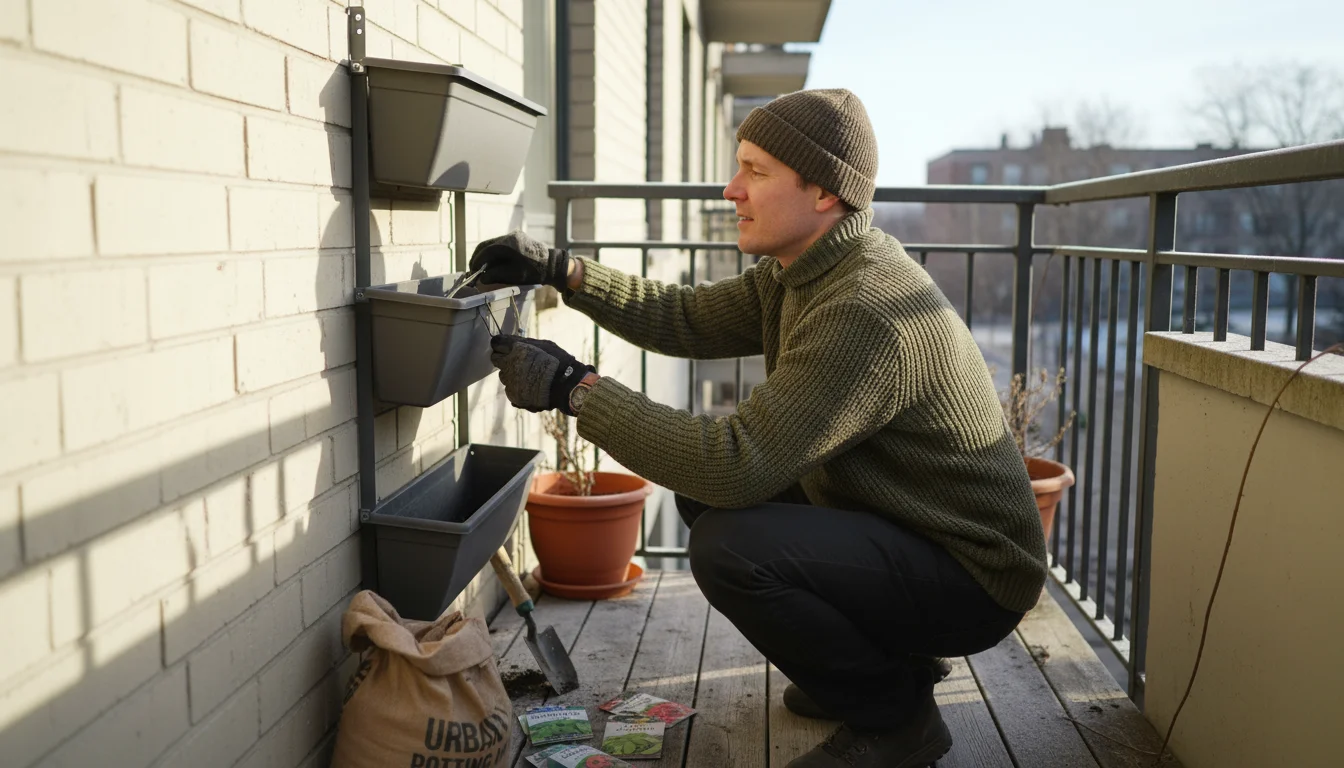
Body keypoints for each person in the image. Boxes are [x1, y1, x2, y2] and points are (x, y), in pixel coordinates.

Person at [472, 88, 1047, 768]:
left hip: (971, 575)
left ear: (825, 192)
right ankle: (880, 666)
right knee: (710, 502)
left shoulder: (865, 307)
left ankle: (897, 718)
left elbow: (734, 462)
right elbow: (684, 317)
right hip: (907, 526)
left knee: (730, 540)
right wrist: (563, 271)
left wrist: (575, 389)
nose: (731, 188)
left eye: (756, 171)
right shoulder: (803, 270)